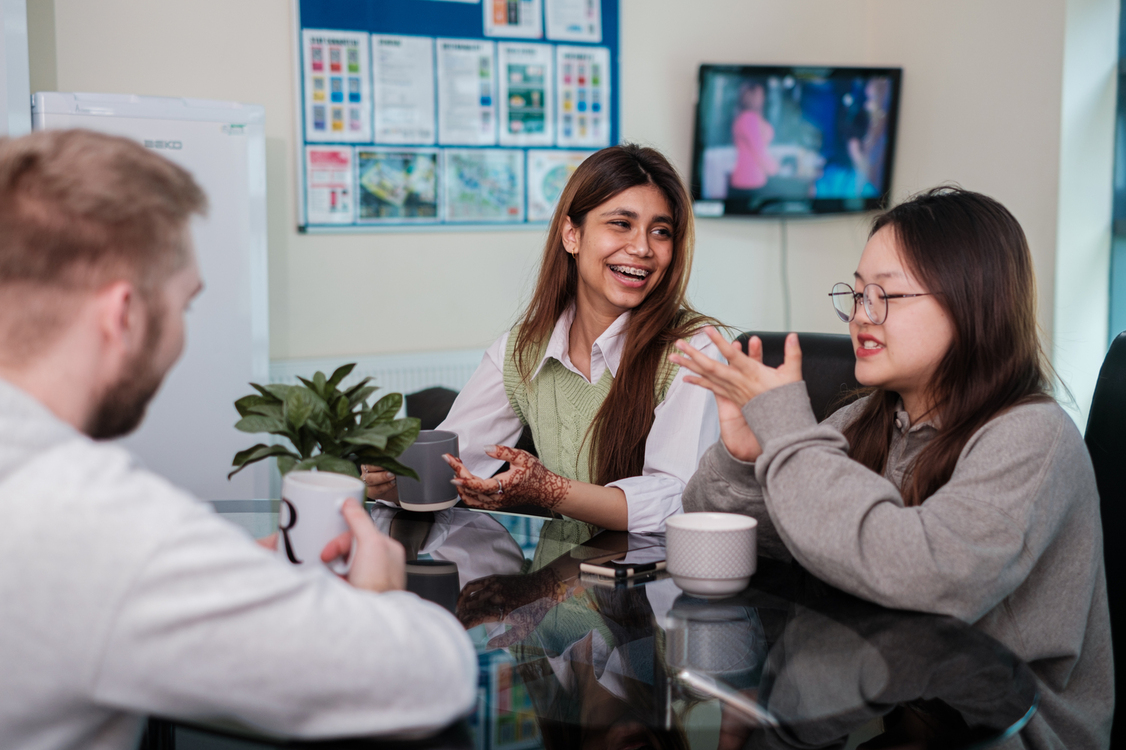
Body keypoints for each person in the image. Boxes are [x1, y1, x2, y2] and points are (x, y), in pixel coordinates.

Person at [0, 130, 476, 750]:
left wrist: (224, 580)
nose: (179, 337)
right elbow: (430, 677)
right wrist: (384, 595)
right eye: (184, 306)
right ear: (123, 315)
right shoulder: (90, 520)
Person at [671, 187, 1112, 748]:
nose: (860, 316)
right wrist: (743, 458)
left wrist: (788, 429)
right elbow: (745, 533)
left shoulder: (1033, 435)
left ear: (972, 300)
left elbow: (922, 576)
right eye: (856, 295)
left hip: (999, 729)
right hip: (883, 699)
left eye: (887, 296)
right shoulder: (867, 416)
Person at [363, 144, 719, 533]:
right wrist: (399, 482)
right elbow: (457, 465)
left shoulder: (695, 350)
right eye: (621, 223)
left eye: (660, 231)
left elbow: (676, 500)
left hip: (659, 583)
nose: (642, 248)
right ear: (572, 235)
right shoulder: (522, 350)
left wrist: (549, 490)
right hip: (566, 577)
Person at [729, 81, 779, 195]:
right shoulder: (747, 118)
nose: (762, 98)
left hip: (757, 179)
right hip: (747, 182)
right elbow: (758, 150)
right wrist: (775, 169)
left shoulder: (755, 117)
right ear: (749, 97)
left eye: (762, 95)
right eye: (758, 95)